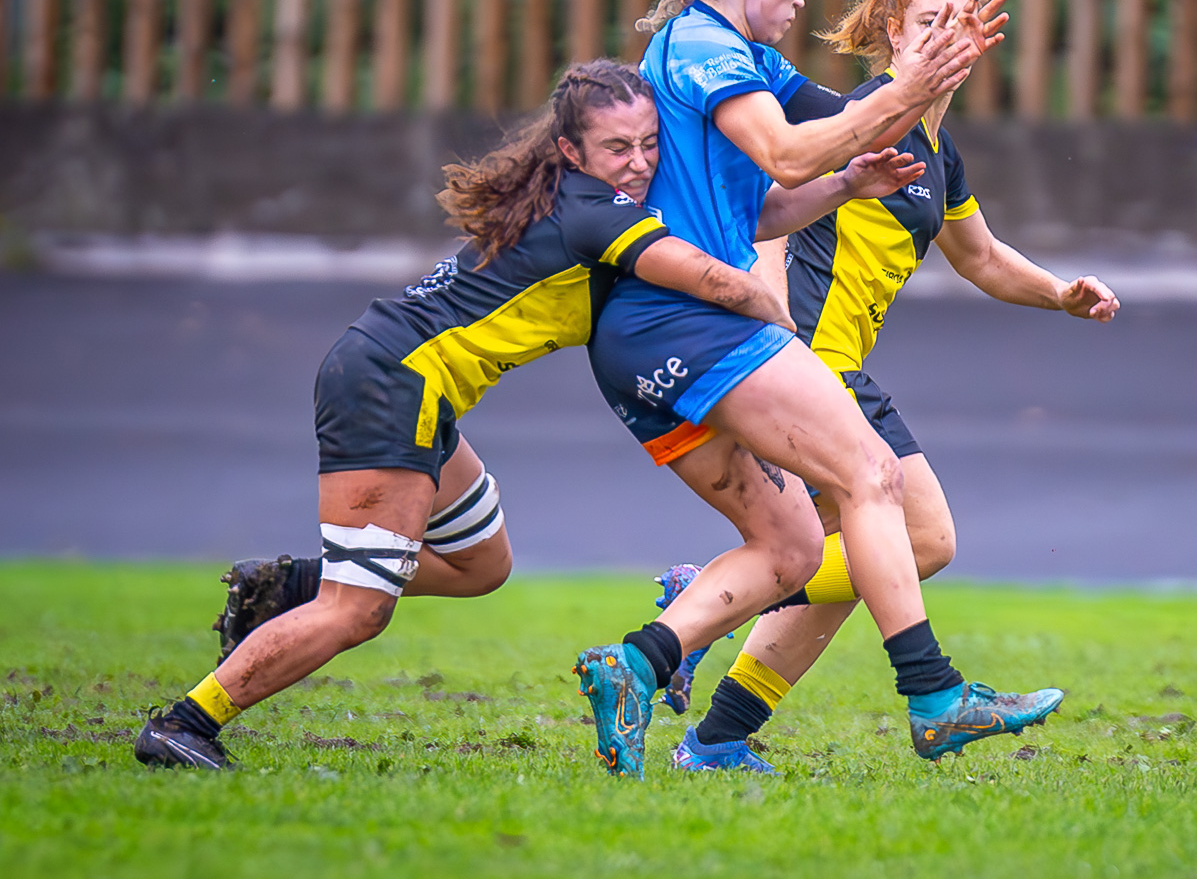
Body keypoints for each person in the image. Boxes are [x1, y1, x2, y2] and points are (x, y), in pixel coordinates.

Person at [133, 60, 914, 769]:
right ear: (572, 152)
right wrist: (783, 348)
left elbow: (744, 222)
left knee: (482, 566)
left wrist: (842, 186)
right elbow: (716, 277)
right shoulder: (595, 214)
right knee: (358, 610)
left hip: (406, 383)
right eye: (617, 149)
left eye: (649, 143)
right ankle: (186, 722)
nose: (640, 162)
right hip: (392, 383)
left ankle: (292, 586)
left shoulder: (587, 197)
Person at [575, 0, 1063, 778]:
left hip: (662, 332)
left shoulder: (738, 56)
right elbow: (791, 153)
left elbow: (800, 168)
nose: (803, 1)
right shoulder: (707, 48)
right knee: (873, 485)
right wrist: (904, 91)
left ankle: (643, 669)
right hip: (697, 324)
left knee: (796, 547)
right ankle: (935, 696)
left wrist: (856, 169)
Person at [657, 0, 1121, 773]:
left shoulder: (937, 156)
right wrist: (774, 342)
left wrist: (1061, 294)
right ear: (895, 38)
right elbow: (766, 210)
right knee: (925, 542)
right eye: (928, 20)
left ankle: (718, 736)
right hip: (808, 366)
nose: (947, 33)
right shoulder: (858, 118)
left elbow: (979, 256)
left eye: (961, 17)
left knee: (865, 564)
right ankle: (703, 609)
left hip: (833, 371)